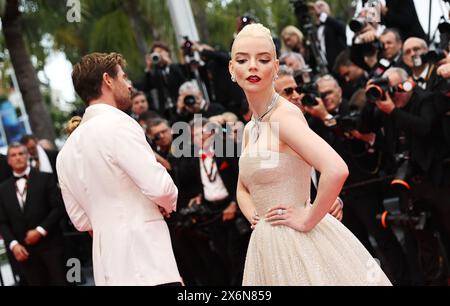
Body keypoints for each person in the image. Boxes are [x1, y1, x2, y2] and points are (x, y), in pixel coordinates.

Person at [229, 23, 391, 285]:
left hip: (300, 241)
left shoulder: (284, 116)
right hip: (267, 246)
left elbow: (336, 169)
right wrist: (257, 219)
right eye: (242, 59)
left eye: (263, 59)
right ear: (231, 69)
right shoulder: (251, 129)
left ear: (276, 67)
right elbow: (242, 188)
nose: (253, 66)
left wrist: (309, 216)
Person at [56, 52, 181, 286]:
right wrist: (166, 204)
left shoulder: (65, 152)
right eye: (124, 77)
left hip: (108, 269)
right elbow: (160, 188)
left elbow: (80, 221)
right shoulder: (120, 124)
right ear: (108, 80)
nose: (130, 85)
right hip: (147, 259)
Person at [0, 143, 67, 285]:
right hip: (25, 253)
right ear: (8, 160)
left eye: (21, 153)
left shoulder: (46, 178)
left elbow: (59, 208)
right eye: (13, 155)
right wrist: (13, 245)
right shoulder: (2, 189)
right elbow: (2, 222)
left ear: (27, 156)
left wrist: (40, 230)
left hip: (52, 247)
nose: (18, 157)